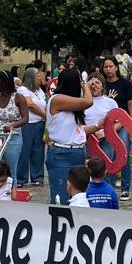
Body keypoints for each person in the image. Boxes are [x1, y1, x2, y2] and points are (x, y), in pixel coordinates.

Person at [45, 68, 92, 206]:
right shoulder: (57, 99)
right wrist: (85, 85)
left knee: (78, 197)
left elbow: (77, 131)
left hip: (77, 151)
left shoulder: (73, 104)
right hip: (61, 154)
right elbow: (88, 101)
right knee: (62, 196)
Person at [101, 56, 132, 203]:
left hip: (122, 124)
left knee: (124, 156)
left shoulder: (125, 84)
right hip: (106, 125)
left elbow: (130, 105)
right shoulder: (101, 84)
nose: (108, 69)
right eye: (106, 67)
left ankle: (125, 188)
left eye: (111, 66)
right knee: (107, 157)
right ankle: (109, 187)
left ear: (116, 67)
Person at [0, 71, 28, 176]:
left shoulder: (18, 97)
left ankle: (12, 191)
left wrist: (12, 126)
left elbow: (25, 118)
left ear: (4, 82)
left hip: (13, 137)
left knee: (11, 171)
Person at [16, 66, 47, 188]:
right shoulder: (23, 90)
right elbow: (30, 104)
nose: (41, 78)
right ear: (32, 77)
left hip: (40, 123)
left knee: (38, 151)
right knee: (25, 150)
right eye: (38, 76)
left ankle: (37, 177)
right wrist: (45, 115)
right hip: (27, 124)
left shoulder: (39, 91)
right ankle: (21, 178)